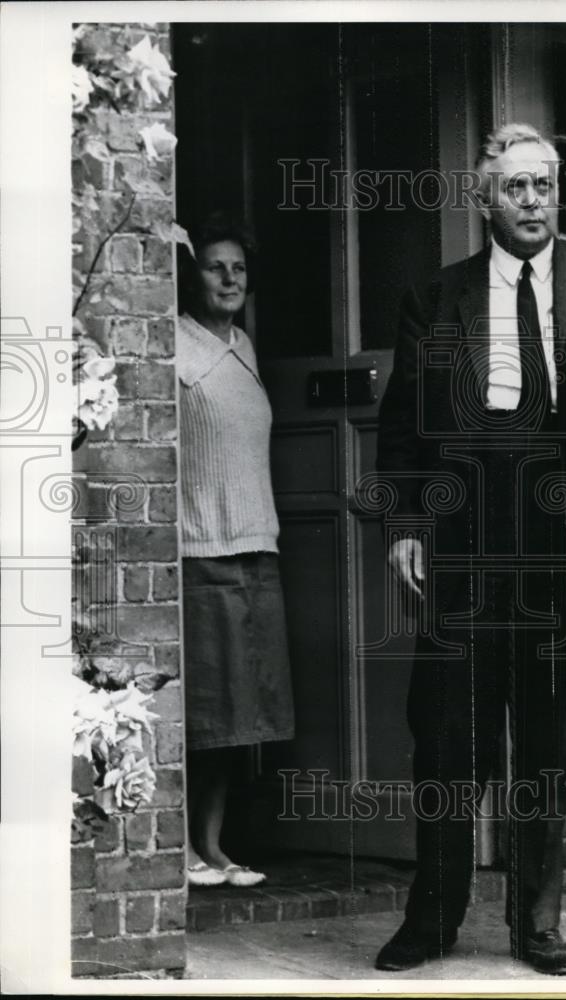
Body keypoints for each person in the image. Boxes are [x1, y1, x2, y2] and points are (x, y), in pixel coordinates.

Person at [374, 123, 566, 975]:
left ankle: (537, 922)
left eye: (544, 186)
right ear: (485, 199)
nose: (533, 202)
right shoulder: (436, 298)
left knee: (545, 741)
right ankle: (432, 918)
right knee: (447, 739)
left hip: (565, 548)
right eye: (515, 188)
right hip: (468, 546)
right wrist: (406, 527)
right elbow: (402, 431)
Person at [177, 214, 294, 888]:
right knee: (204, 712)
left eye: (239, 268)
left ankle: (213, 848)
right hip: (201, 550)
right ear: (191, 275)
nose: (228, 278)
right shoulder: (172, 345)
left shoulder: (244, 346)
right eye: (214, 266)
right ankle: (183, 851)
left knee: (239, 716)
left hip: (257, 545)